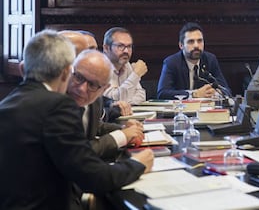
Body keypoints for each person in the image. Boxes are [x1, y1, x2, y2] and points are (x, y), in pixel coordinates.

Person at [0, 29, 153, 209]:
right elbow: (93, 178)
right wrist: (137, 164)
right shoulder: (57, 105)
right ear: (67, 73)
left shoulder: (7, 104)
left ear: (23, 69)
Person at [66, 49, 143, 161]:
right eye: (79, 77)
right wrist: (122, 136)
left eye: (92, 85)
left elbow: (95, 126)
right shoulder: (58, 100)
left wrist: (124, 129)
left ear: (104, 89)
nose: (82, 89)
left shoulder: (96, 100)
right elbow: (76, 153)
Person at [157, 22, 231, 99]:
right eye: (191, 41)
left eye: (199, 41)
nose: (196, 45)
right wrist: (194, 94)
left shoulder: (210, 59)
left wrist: (216, 93)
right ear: (181, 45)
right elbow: (162, 93)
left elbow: (226, 90)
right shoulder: (172, 62)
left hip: (204, 109)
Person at [102, 27, 147, 105]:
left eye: (129, 46)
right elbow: (110, 100)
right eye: (120, 46)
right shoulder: (99, 67)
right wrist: (135, 75)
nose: (126, 51)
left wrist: (124, 102)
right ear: (106, 48)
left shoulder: (126, 64)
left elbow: (141, 95)